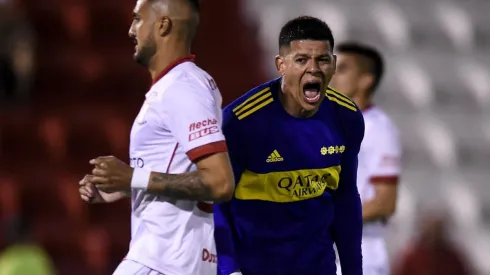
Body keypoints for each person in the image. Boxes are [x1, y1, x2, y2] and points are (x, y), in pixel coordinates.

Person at [78, 0, 235, 274]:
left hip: (164, 260)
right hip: (175, 259)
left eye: (138, 19)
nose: (130, 30)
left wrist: (133, 178)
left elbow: (219, 182)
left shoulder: (183, 88)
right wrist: (119, 186)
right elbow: (180, 170)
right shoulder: (178, 86)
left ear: (163, 24)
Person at [214, 16, 364, 275]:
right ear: (280, 65)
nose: (314, 69)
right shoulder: (241, 122)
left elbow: (346, 198)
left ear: (334, 65)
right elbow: (218, 202)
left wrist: (353, 270)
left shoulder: (346, 117)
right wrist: (229, 269)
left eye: (323, 60)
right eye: (302, 60)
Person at [330, 42, 401, 275]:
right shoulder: (331, 125)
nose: (332, 75)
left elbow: (384, 203)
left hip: (362, 254)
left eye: (342, 69)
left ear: (365, 80)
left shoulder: (378, 129)